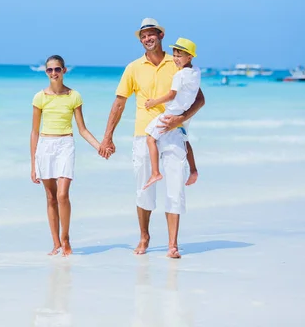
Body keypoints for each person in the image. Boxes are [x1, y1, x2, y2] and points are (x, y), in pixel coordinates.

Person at [98, 18, 205, 258]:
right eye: (143, 36)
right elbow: (119, 102)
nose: (148, 38)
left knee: (175, 187)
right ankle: (144, 236)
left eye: (151, 34)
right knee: (143, 189)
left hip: (174, 133)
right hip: (143, 134)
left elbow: (200, 98)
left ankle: (172, 244)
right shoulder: (133, 68)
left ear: (160, 36)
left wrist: (181, 118)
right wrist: (107, 137)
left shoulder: (177, 62)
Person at [30, 55, 103, 257]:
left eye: (57, 69)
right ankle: (56, 244)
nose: (54, 73)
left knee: (62, 195)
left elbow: (82, 129)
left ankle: (66, 238)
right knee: (50, 197)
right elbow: (34, 132)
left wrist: (99, 146)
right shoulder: (39, 97)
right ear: (46, 72)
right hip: (45, 146)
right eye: (50, 70)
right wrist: (33, 164)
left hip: (65, 144)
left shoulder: (74, 96)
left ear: (64, 71)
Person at [143, 38, 201, 189]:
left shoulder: (179, 76)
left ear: (189, 57)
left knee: (150, 138)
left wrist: (153, 102)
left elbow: (171, 95)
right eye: (174, 54)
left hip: (171, 113)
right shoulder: (196, 72)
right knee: (185, 139)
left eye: (179, 55)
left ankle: (155, 172)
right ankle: (193, 170)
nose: (175, 58)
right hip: (185, 112)